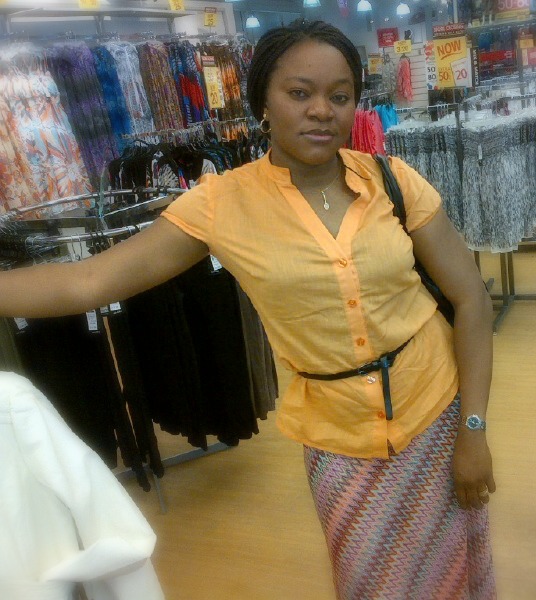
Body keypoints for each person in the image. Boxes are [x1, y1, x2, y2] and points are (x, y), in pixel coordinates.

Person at [0, 20, 495, 600]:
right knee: (372, 582)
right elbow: (87, 281)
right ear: (262, 100)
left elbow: (471, 299)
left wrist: (474, 430)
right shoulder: (221, 203)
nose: (321, 111)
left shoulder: (392, 181)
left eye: (340, 96)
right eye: (299, 92)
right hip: (338, 437)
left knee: (453, 575)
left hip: (436, 411)